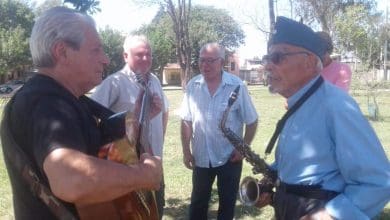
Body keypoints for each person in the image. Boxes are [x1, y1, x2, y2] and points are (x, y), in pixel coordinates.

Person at [0, 7, 162, 219]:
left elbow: (109, 147)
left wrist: (139, 117)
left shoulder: (70, 100)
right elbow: (71, 179)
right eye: (96, 50)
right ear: (62, 52)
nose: (105, 59)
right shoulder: (45, 102)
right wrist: (142, 176)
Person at [256, 16, 390, 219]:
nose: (267, 66)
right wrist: (271, 179)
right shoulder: (299, 102)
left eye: (278, 57)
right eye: (268, 58)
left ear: (309, 62)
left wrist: (329, 215)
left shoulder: (336, 106)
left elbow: (378, 182)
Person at [91, 34, 169, 219]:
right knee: (133, 214)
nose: (145, 59)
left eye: (148, 54)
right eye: (139, 54)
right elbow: (92, 119)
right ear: (125, 56)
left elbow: (164, 113)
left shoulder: (155, 81)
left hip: (153, 162)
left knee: (156, 209)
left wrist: (159, 144)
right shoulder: (114, 82)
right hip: (127, 168)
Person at [180, 42, 258, 220]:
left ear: (222, 62)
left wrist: (242, 149)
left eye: (210, 61)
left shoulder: (237, 86)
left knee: (227, 205)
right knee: (198, 203)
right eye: (201, 60)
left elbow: (252, 121)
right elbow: (186, 120)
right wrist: (186, 151)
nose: (204, 65)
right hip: (201, 157)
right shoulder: (193, 86)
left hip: (230, 158)